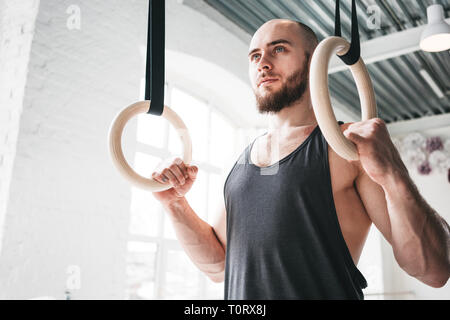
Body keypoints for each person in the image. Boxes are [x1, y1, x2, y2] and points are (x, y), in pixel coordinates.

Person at [151, 19, 450, 299]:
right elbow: (219, 265)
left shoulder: (348, 148)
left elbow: (434, 271)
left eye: (279, 49)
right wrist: (174, 203)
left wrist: (394, 175)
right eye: (255, 56)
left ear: (314, 64)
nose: (263, 64)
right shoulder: (241, 162)